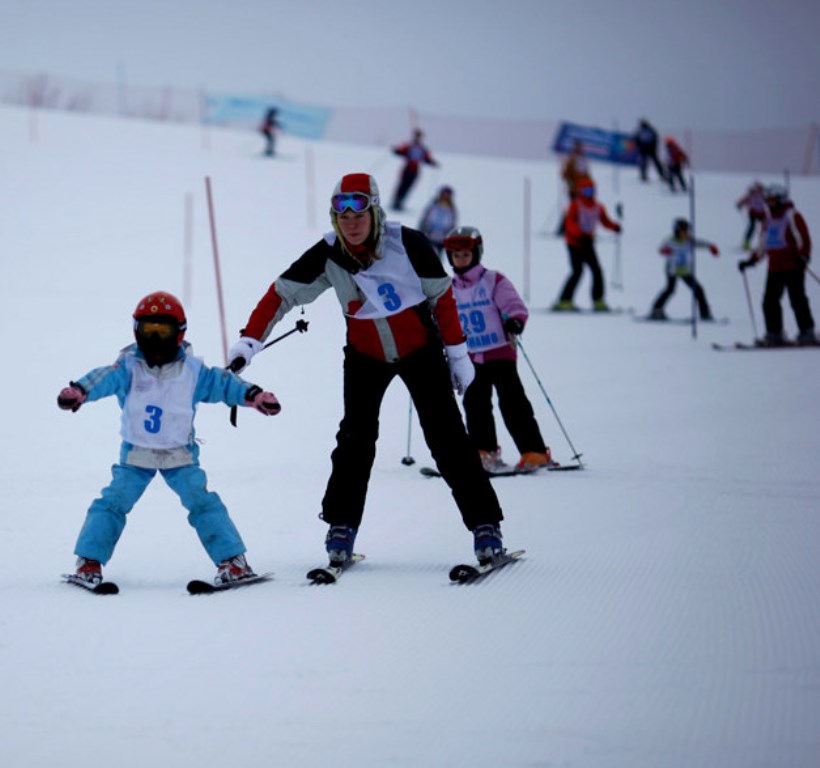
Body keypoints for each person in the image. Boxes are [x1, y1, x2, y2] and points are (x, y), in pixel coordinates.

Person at [227, 173, 507, 566]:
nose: (351, 224)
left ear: (374, 212)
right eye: (342, 216)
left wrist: (458, 355)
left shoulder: (409, 244)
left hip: (420, 352)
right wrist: (249, 342)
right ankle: (341, 527)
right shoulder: (329, 253)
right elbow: (281, 294)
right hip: (365, 356)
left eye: (359, 214)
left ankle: (485, 525)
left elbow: (442, 297)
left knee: (447, 438)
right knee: (354, 442)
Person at [57, 292, 282, 587]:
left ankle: (233, 562)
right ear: (136, 331)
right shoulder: (127, 367)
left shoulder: (193, 372)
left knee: (202, 503)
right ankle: (88, 563)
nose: (154, 338)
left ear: (178, 333)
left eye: (162, 331)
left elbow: (224, 383)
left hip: (180, 456)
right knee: (112, 503)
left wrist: (255, 395)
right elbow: (102, 378)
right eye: (148, 330)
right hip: (136, 455)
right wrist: (80, 391)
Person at [444, 225, 555, 474]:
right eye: (455, 255)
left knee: (513, 403)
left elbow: (513, 304)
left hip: (499, 352)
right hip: (471, 356)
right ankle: (484, 451)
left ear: (476, 253)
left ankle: (534, 452)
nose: (461, 259)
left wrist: (515, 319)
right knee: (475, 404)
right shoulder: (449, 288)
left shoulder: (493, 280)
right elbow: (443, 315)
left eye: (465, 254)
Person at [739, 185, 816, 346]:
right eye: (768, 201)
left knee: (797, 300)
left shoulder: (792, 215)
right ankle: (774, 333)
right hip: (775, 267)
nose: (769, 204)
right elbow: (764, 244)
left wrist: (804, 255)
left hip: (793, 265)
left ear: (781, 200)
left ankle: (807, 332)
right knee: (770, 301)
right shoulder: (768, 220)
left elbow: (803, 238)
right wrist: (752, 260)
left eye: (772, 201)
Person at [552, 177, 622, 312]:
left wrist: (615, 227)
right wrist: (580, 234)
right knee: (577, 271)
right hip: (574, 243)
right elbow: (569, 223)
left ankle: (598, 300)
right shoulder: (575, 205)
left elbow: (604, 221)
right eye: (586, 191)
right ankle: (564, 300)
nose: (589, 193)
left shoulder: (598, 207)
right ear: (581, 191)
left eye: (591, 191)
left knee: (597, 271)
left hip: (588, 243)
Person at [648, 218, 719, 320]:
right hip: (672, 270)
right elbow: (660, 249)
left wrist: (710, 246)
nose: (686, 233)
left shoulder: (689, 241)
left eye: (687, 231)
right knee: (670, 290)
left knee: (698, 290)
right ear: (677, 231)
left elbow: (700, 243)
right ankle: (656, 310)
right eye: (684, 231)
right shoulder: (670, 241)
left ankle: (705, 313)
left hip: (685, 271)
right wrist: (665, 251)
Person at [390, 129, 438, 211]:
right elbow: (401, 152)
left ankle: (401, 202)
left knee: (408, 187)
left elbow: (426, 159)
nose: (417, 138)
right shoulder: (409, 146)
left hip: (415, 171)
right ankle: (395, 202)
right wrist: (395, 150)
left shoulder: (423, 149)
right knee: (402, 186)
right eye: (416, 136)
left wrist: (433, 163)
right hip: (407, 169)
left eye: (419, 136)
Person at [557, 141, 591, 235]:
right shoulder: (571, 160)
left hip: (583, 191)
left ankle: (578, 229)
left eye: (580, 147)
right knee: (573, 210)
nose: (580, 149)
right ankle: (563, 229)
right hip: (574, 190)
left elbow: (587, 176)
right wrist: (570, 184)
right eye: (578, 147)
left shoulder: (583, 160)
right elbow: (565, 175)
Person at [418, 185, 457, 258]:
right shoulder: (433, 206)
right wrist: (424, 231)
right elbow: (425, 219)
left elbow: (452, 225)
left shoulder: (452, 210)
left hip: (441, 238)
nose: (445, 197)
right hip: (429, 235)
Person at [736, 181, 767, 250]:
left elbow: (769, 200)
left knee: (765, 228)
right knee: (752, 227)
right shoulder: (750, 196)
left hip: (761, 213)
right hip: (753, 213)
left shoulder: (762, 195)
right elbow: (743, 200)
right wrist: (739, 204)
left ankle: (764, 243)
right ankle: (746, 243)